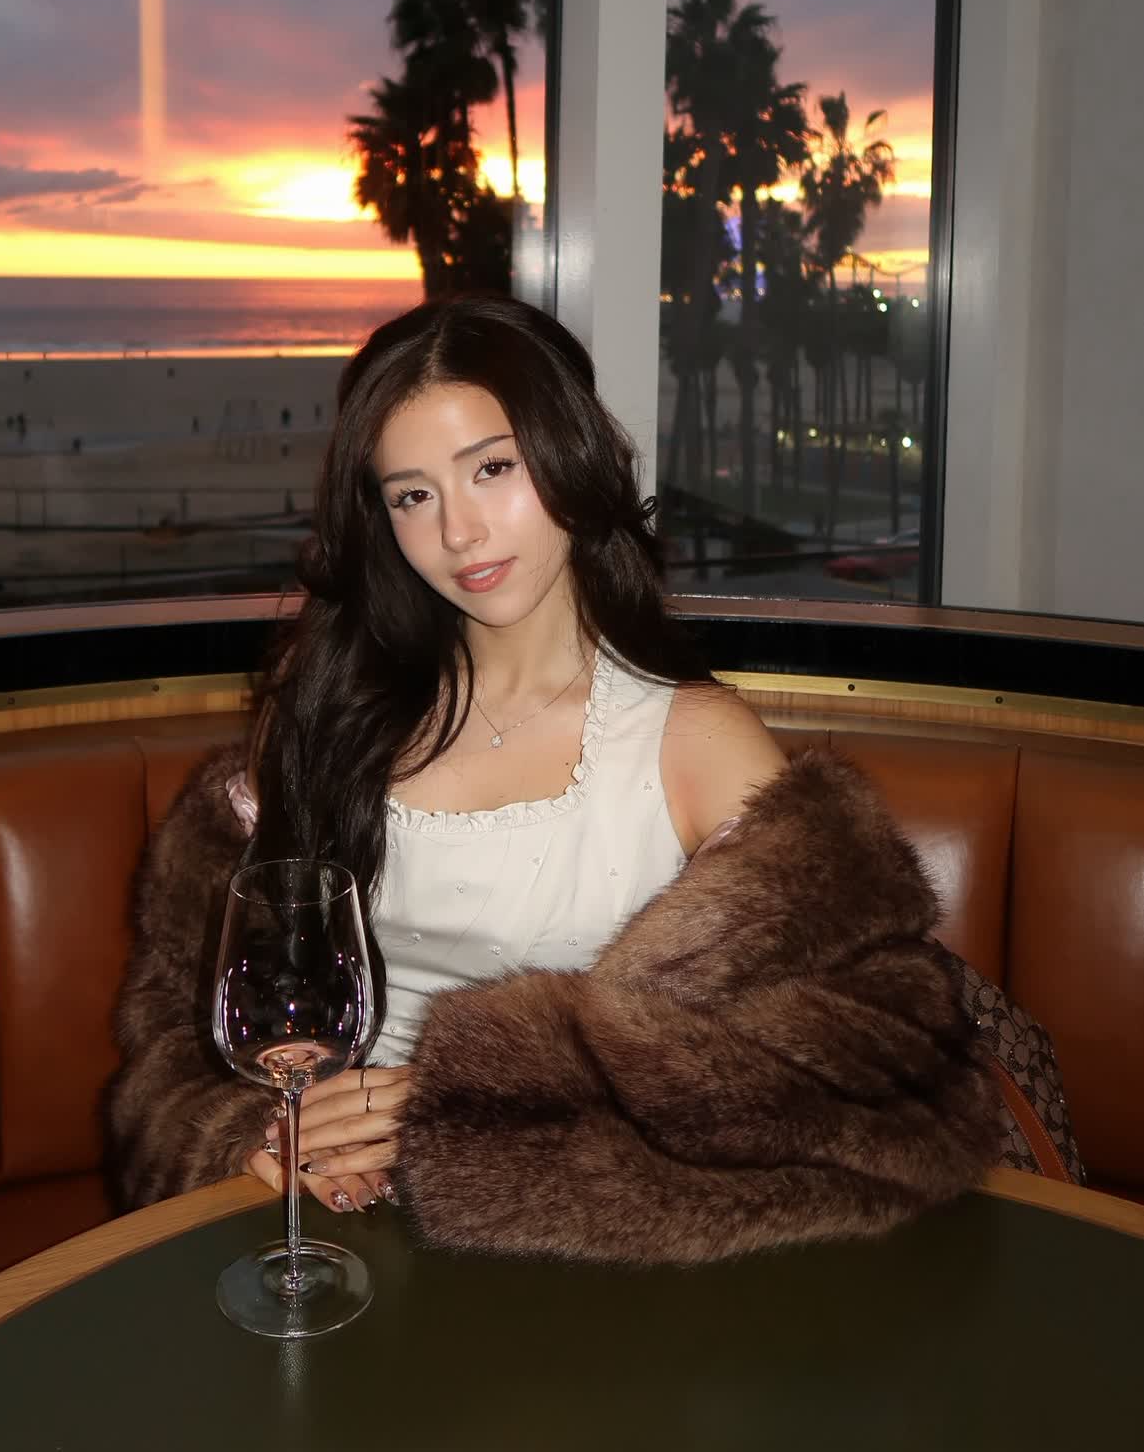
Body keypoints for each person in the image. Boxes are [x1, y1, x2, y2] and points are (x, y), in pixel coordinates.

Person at [106, 294, 998, 1263]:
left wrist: (466, 1115)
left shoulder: (693, 742)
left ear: (571, 454)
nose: (459, 531)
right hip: (332, 1236)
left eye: (493, 468)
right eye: (411, 495)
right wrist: (263, 1138)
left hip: (583, 1251)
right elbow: (182, 1032)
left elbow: (875, 1087)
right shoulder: (323, 714)